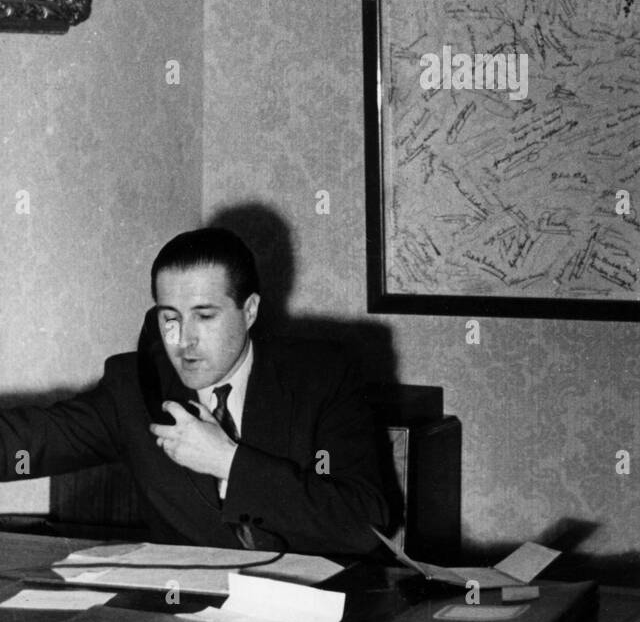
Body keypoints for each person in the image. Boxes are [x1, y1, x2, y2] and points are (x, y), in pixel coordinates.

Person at [0, 228, 388, 555]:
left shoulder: (321, 376)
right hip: (185, 616)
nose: (183, 339)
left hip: (313, 617)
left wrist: (229, 462)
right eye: (170, 317)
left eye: (204, 316)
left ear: (249, 310)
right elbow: (34, 439)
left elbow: (364, 524)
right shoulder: (134, 388)